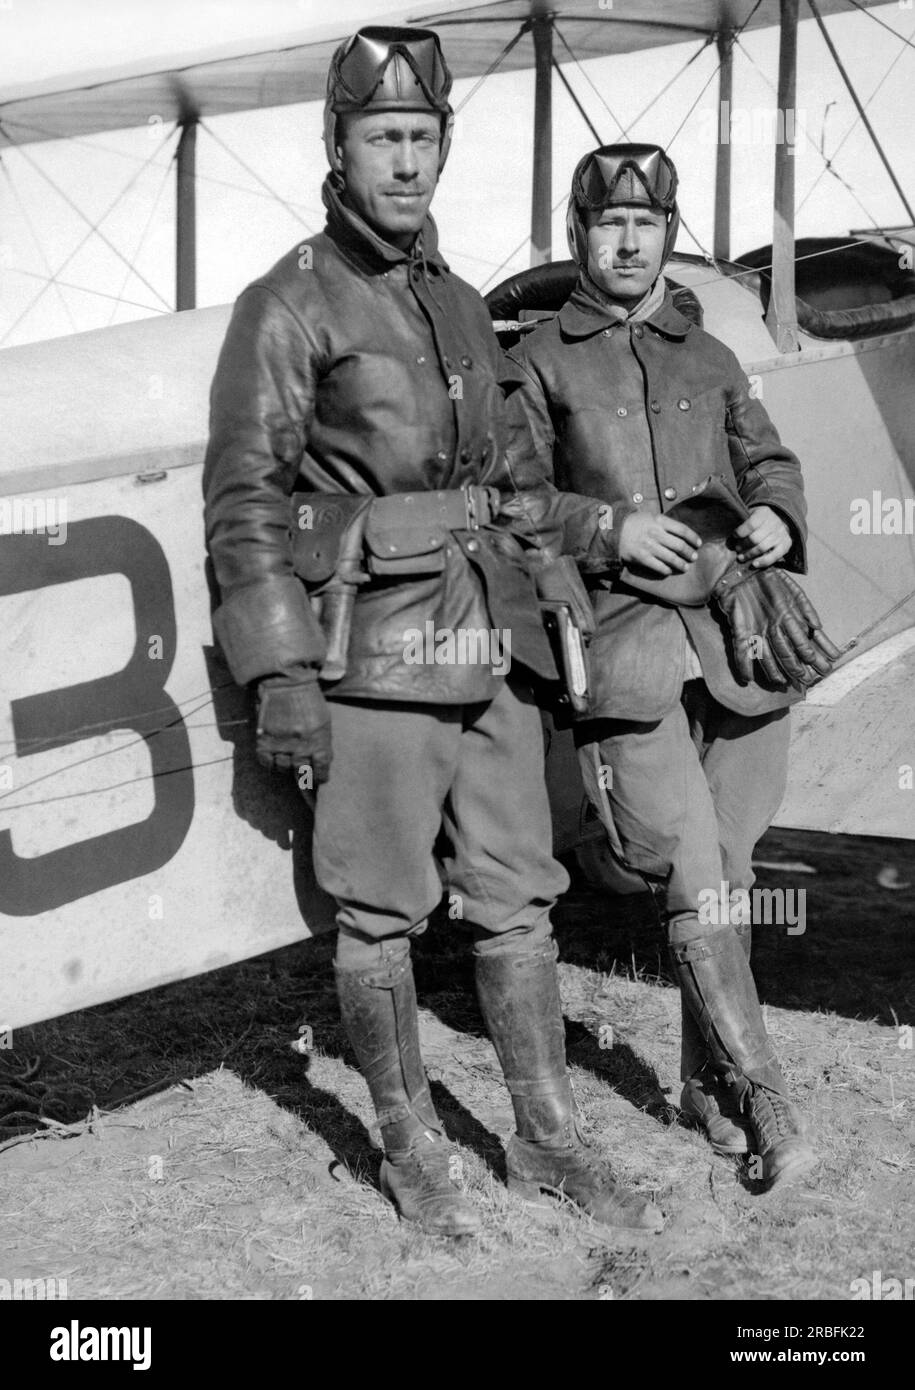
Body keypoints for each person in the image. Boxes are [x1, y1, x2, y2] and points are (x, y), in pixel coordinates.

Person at [203, 31, 663, 1235]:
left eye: (422, 139)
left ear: (444, 147)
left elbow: (514, 481)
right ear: (337, 148)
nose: (403, 163)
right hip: (378, 662)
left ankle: (550, 1136)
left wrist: (564, 577)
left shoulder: (461, 304)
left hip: (491, 654)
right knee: (377, 913)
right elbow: (244, 504)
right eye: (381, 138)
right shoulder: (288, 303)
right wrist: (280, 671)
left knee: (519, 898)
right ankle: (410, 1147)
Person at [504, 143, 836, 1188]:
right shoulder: (542, 359)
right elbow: (511, 498)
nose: (630, 240)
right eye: (609, 223)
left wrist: (780, 513)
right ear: (578, 235)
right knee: (692, 866)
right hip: (630, 649)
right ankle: (772, 1106)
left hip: (744, 644)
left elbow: (765, 455)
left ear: (669, 231)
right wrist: (606, 527)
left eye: (648, 222)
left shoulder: (711, 354)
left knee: (731, 876)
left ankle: (701, 1083)